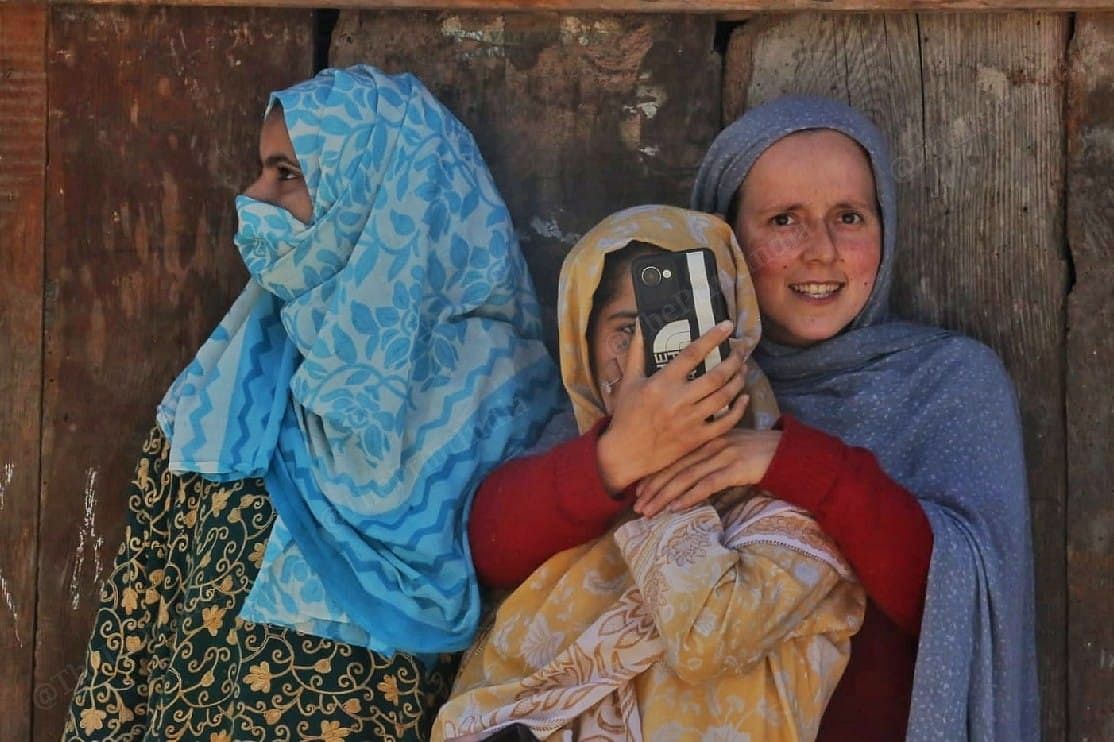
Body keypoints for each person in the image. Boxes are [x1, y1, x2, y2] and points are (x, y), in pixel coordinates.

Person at [469, 97, 1038, 740]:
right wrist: (621, 453)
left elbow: (962, 603)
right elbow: (491, 549)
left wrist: (785, 462)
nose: (820, 251)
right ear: (728, 242)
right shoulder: (648, 383)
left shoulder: (947, 382)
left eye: (849, 217)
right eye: (783, 220)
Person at [62, 65, 562, 741]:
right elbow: (133, 614)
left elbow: (529, 645)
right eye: (262, 171)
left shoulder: (499, 398)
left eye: (285, 174)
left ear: (378, 188)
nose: (253, 195)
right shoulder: (225, 380)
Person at [433, 205, 866, 742]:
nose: (656, 356)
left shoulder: (790, 509)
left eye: (686, 330)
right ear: (580, 349)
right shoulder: (556, 478)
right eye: (626, 330)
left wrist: (666, 464)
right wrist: (623, 455)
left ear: (736, 345)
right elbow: (484, 552)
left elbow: (708, 638)